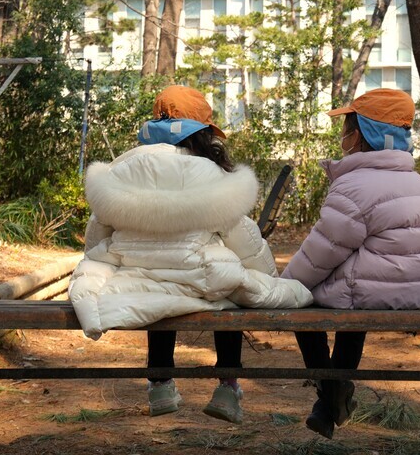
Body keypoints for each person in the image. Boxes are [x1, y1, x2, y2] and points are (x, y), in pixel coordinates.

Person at [68, 85, 313, 424]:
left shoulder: (124, 167)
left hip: (138, 274)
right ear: (202, 133)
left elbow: (98, 230)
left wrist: (101, 262)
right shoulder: (209, 172)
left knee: (155, 291)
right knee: (227, 290)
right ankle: (227, 386)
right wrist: (265, 275)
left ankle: (160, 384)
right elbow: (242, 236)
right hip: (201, 276)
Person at [281, 88, 420, 439]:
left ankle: (331, 396)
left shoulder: (354, 186)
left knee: (303, 307)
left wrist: (285, 285)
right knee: (352, 299)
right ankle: (331, 403)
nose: (343, 136)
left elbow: (320, 253)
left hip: (375, 293)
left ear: (357, 135)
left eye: (346, 128)